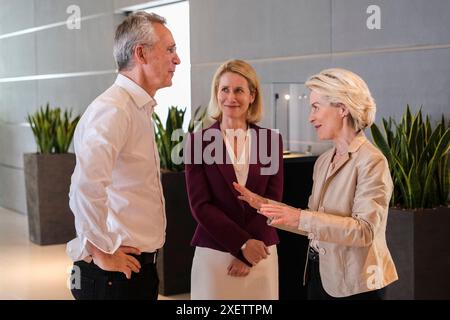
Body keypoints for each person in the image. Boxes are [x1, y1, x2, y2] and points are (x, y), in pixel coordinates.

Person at [234, 68, 398, 300]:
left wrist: (300, 217)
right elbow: (313, 223)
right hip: (318, 275)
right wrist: (265, 206)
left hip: (357, 285)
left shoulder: (372, 161)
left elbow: (365, 231)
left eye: (316, 107)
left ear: (342, 108)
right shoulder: (323, 161)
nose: (311, 117)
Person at [67, 12, 180, 300]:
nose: (176, 59)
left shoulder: (136, 108)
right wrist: (100, 251)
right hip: (114, 276)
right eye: (169, 49)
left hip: (134, 269)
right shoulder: (114, 110)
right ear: (140, 53)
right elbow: (85, 187)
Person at [184, 59, 284, 300]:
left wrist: (250, 250)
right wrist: (241, 245)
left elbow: (273, 200)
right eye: (224, 89)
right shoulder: (197, 142)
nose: (231, 97)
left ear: (252, 95)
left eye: (239, 90)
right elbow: (200, 205)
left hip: (261, 252)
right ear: (216, 94)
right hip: (215, 252)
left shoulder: (270, 140)